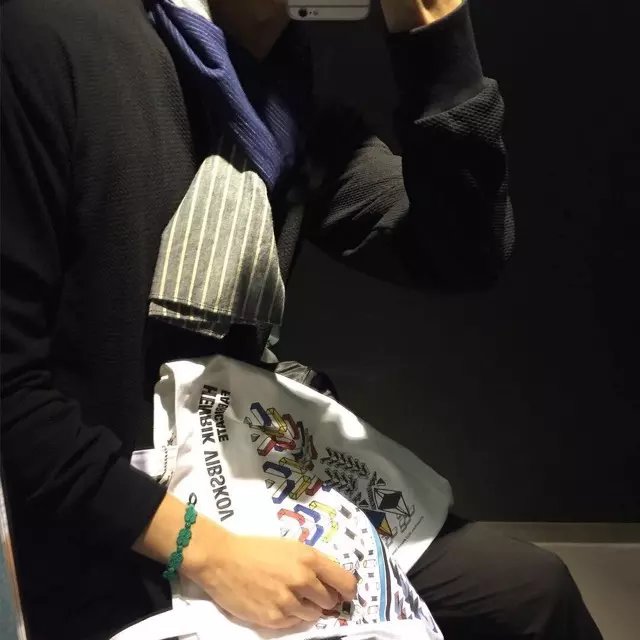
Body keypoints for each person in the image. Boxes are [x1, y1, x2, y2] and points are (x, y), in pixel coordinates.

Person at [0, 0, 602, 639]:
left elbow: (463, 252)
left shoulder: (280, 106)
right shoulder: (52, 41)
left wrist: (432, 26)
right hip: (116, 530)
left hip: (245, 469)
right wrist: (209, 553)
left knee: (533, 594)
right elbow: (13, 395)